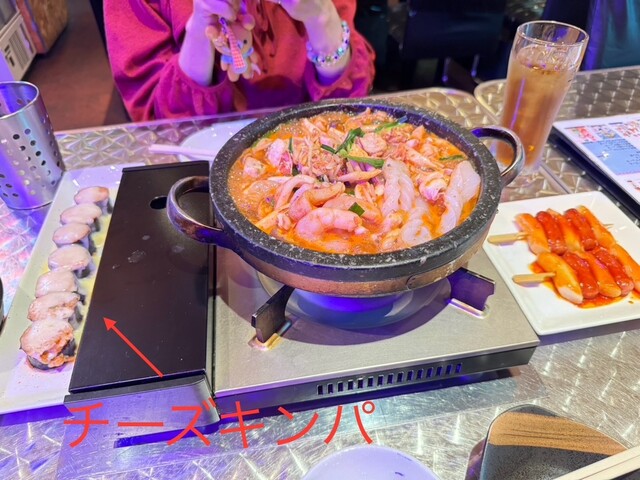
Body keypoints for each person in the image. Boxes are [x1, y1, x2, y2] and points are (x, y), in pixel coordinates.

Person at [104, 0, 376, 121]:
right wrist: (201, 29)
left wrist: (321, 17)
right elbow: (163, 123)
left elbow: (349, 106)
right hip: (198, 168)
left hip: (315, 147)